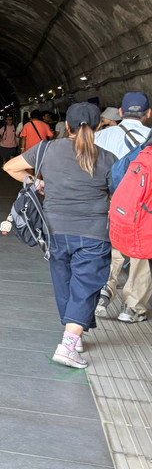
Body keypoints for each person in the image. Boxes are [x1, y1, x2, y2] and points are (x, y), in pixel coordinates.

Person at [3, 102, 118, 368]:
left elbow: (11, 167)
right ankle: (68, 345)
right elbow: (115, 193)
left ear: (65, 126)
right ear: (99, 127)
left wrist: (36, 182)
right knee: (86, 287)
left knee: (64, 283)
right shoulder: (108, 158)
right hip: (94, 233)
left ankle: (73, 335)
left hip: (54, 230)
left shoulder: (47, 149)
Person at [94, 92, 152, 322]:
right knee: (141, 254)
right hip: (143, 208)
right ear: (148, 114)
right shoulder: (150, 137)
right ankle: (132, 308)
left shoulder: (103, 136)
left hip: (110, 202)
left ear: (120, 112)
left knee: (109, 247)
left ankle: (103, 292)